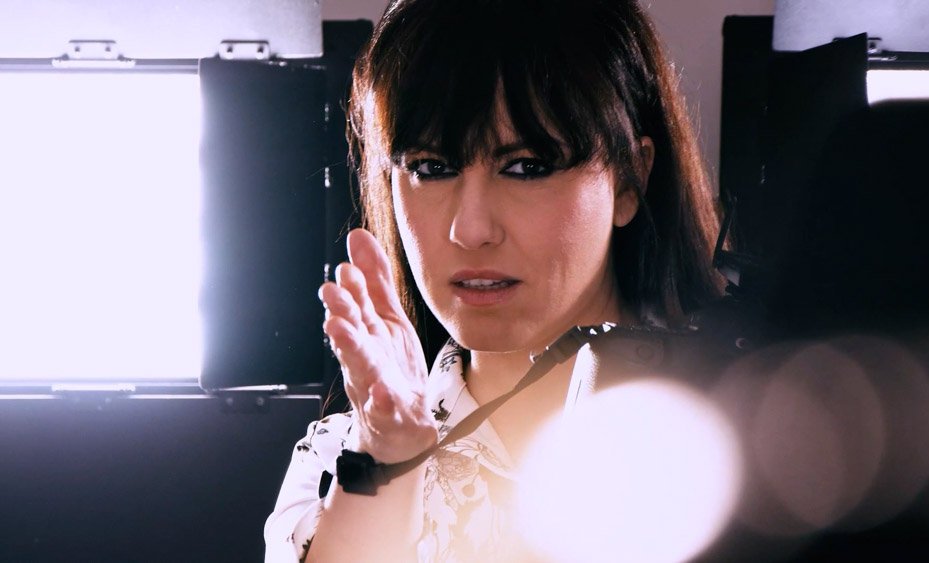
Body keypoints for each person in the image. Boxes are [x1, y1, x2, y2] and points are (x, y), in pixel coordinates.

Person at [265, 0, 722, 560]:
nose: (470, 230)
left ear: (629, 179)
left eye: (527, 167)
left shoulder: (745, 427)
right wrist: (386, 459)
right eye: (432, 168)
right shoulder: (340, 463)